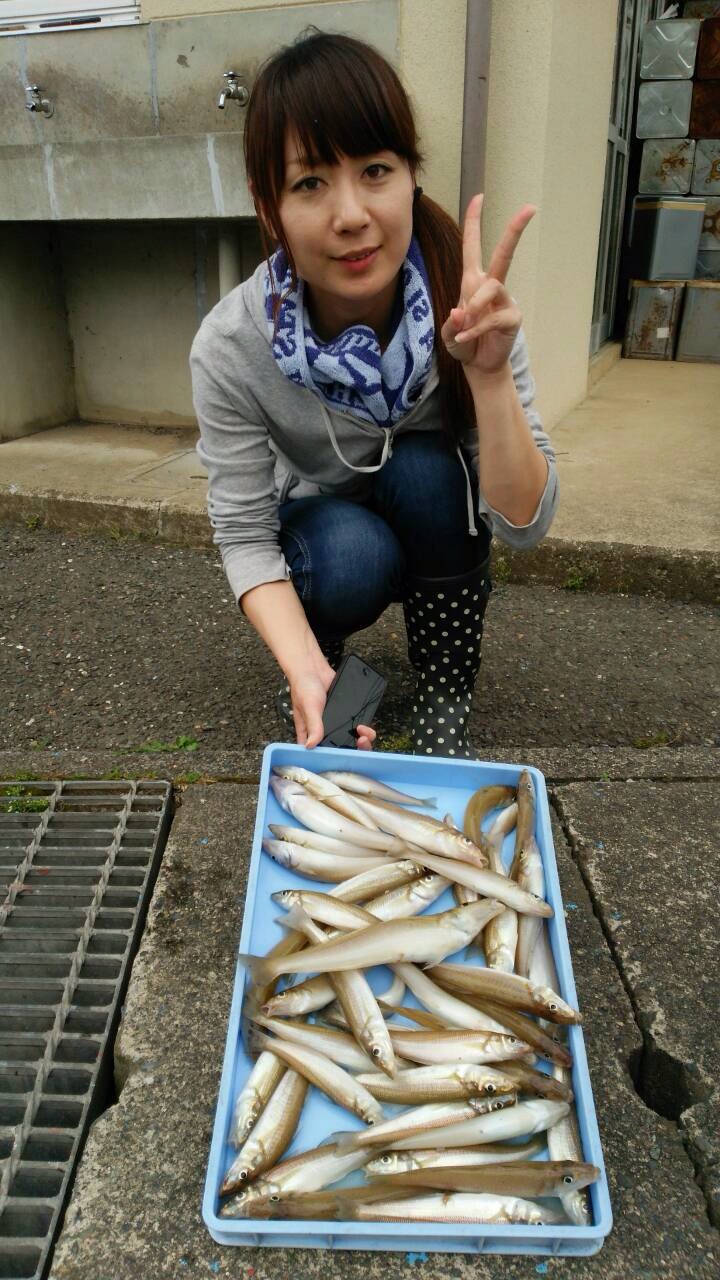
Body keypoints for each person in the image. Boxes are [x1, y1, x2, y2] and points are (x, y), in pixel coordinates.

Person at [190, 30, 558, 759]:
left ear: (412, 178)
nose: (352, 214)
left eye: (376, 170)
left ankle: (446, 687)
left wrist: (488, 377)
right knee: (348, 552)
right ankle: (320, 665)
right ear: (270, 209)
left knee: (427, 469)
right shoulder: (232, 344)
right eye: (309, 183)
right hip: (328, 533)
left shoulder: (469, 300)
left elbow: (522, 521)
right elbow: (243, 533)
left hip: (432, 516)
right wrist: (300, 667)